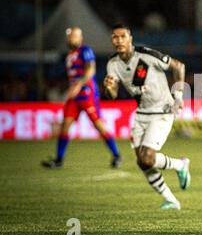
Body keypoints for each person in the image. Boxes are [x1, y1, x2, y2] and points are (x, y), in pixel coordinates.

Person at [104, 24, 190, 210]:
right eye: (115, 37)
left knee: (146, 158)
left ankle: (180, 165)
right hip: (141, 113)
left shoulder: (146, 55)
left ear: (130, 38)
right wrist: (109, 88)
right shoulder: (112, 64)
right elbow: (112, 95)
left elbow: (178, 66)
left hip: (162, 111)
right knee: (142, 162)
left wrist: (178, 97)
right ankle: (171, 200)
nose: (118, 40)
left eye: (122, 36)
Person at [42, 27, 121, 168]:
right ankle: (59, 160)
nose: (71, 38)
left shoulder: (86, 51)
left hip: (86, 94)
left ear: (80, 38)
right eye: (70, 36)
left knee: (98, 125)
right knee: (65, 126)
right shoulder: (69, 55)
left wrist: (78, 85)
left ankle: (116, 155)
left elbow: (90, 70)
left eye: (74, 36)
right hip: (74, 96)